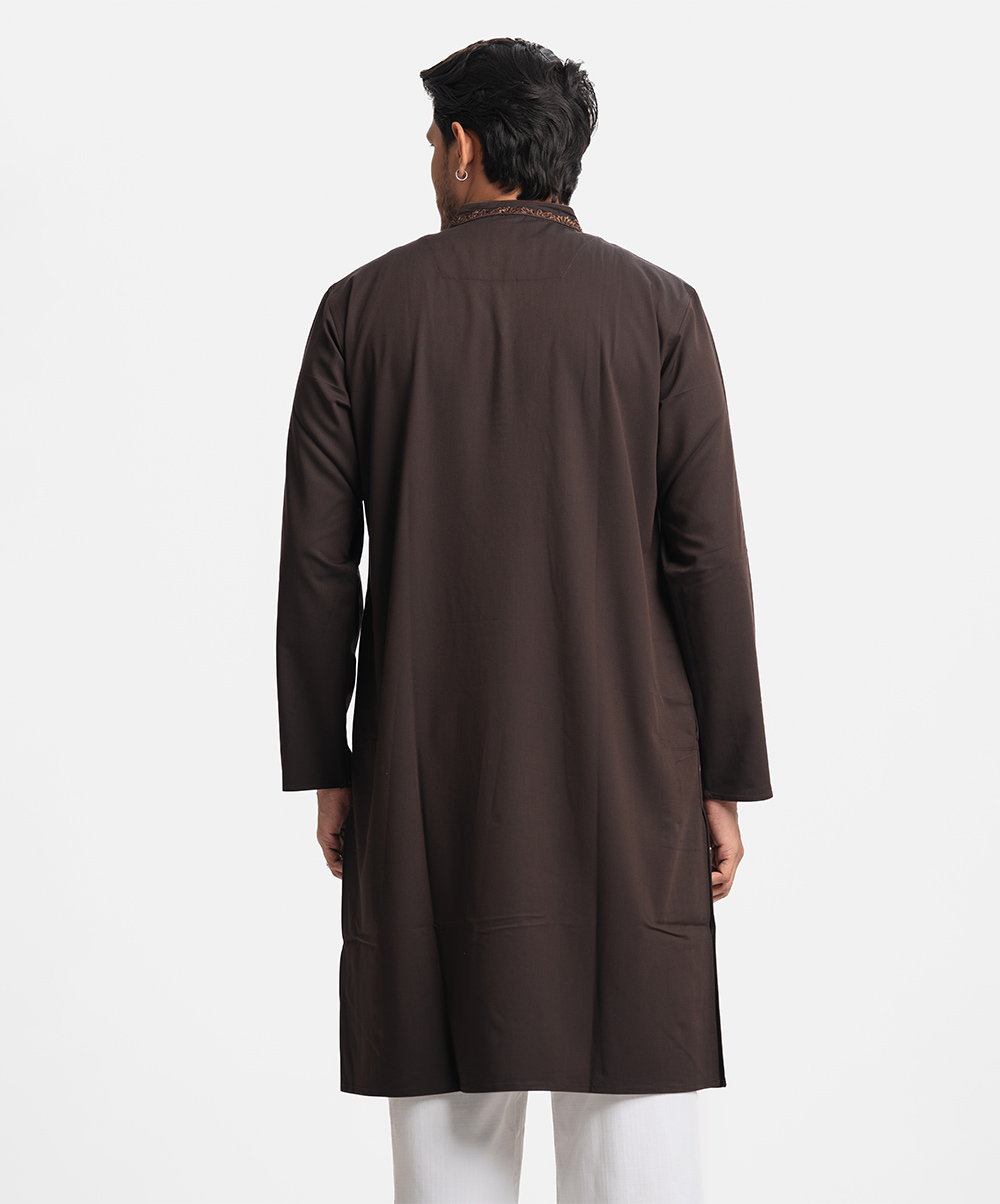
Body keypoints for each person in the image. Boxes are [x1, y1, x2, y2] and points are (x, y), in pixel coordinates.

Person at [276, 36, 772, 1204]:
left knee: (444, 1126)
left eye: (430, 141)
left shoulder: (359, 312)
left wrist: (327, 766)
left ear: (462, 146)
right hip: (630, 781)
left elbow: (317, 565)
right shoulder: (660, 311)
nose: (430, 163)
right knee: (637, 1136)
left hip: (424, 774)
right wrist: (724, 778)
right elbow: (707, 557)